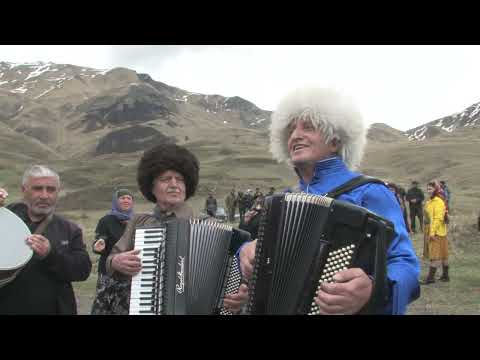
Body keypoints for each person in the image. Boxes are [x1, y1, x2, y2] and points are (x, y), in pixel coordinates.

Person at [239, 87, 420, 315]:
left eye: (308, 127)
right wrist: (245, 252)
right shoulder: (280, 203)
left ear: (335, 140)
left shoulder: (369, 192)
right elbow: (254, 258)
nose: (295, 135)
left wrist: (372, 289)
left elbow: (405, 264)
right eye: (291, 129)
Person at [105, 143, 247, 314]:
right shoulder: (139, 222)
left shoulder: (209, 224)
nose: (174, 184)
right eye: (165, 179)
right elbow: (111, 260)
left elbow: (238, 276)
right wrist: (116, 261)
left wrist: (238, 297)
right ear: (151, 186)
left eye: (180, 179)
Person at [0, 165, 91, 314]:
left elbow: (82, 270)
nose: (44, 195)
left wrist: (51, 254)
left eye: (51, 189)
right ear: (24, 190)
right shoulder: (6, 217)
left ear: (57, 193)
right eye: (37, 188)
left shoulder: (69, 229)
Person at [90, 188, 135, 315]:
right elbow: (99, 239)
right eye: (122, 198)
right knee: (104, 307)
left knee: (125, 308)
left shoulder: (136, 221)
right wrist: (98, 245)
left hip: (129, 273)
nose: (126, 200)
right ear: (116, 201)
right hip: (108, 273)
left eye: (129, 198)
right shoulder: (106, 220)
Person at [422, 180, 450, 284]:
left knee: (435, 255)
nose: (428, 191)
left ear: (436, 189)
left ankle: (430, 278)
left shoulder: (438, 202)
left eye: (431, 189)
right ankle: (445, 276)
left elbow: (438, 218)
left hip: (436, 232)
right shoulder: (430, 201)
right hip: (438, 231)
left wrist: (432, 233)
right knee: (443, 254)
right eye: (428, 189)